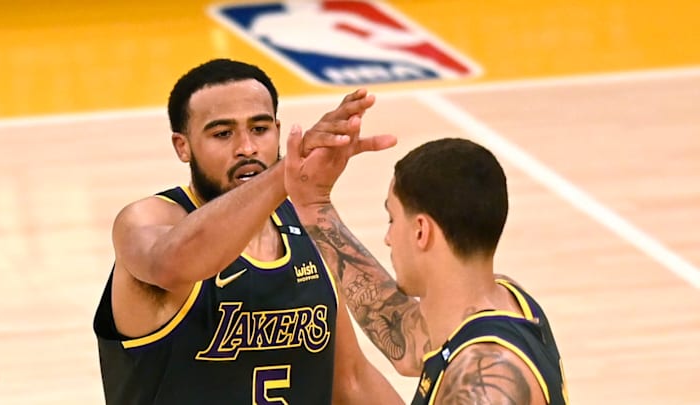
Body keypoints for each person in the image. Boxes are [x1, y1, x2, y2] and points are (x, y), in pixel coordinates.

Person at [92, 58, 403, 405]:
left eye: (259, 129)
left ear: (279, 130)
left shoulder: (304, 228)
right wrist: (288, 172)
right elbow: (172, 264)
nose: (247, 148)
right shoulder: (148, 219)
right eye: (223, 134)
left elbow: (351, 380)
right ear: (183, 146)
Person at [284, 134, 569, 404]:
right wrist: (312, 204)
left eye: (392, 219)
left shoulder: (482, 384)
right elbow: (403, 335)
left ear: (421, 231)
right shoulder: (504, 300)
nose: (388, 237)